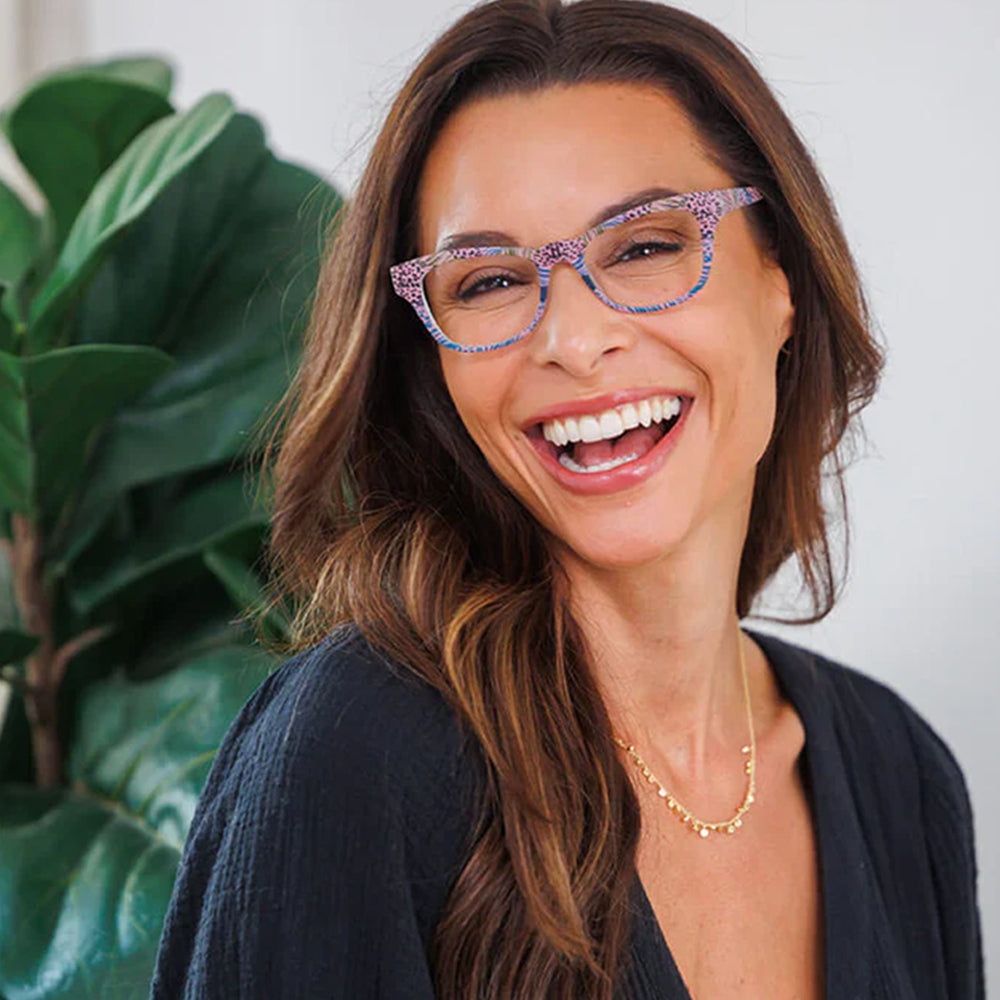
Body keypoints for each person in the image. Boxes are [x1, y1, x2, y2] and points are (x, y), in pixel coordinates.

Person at [150, 0, 985, 997]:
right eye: (489, 280)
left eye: (641, 248)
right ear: (433, 364)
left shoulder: (902, 778)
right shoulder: (352, 755)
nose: (573, 340)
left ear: (781, 280)